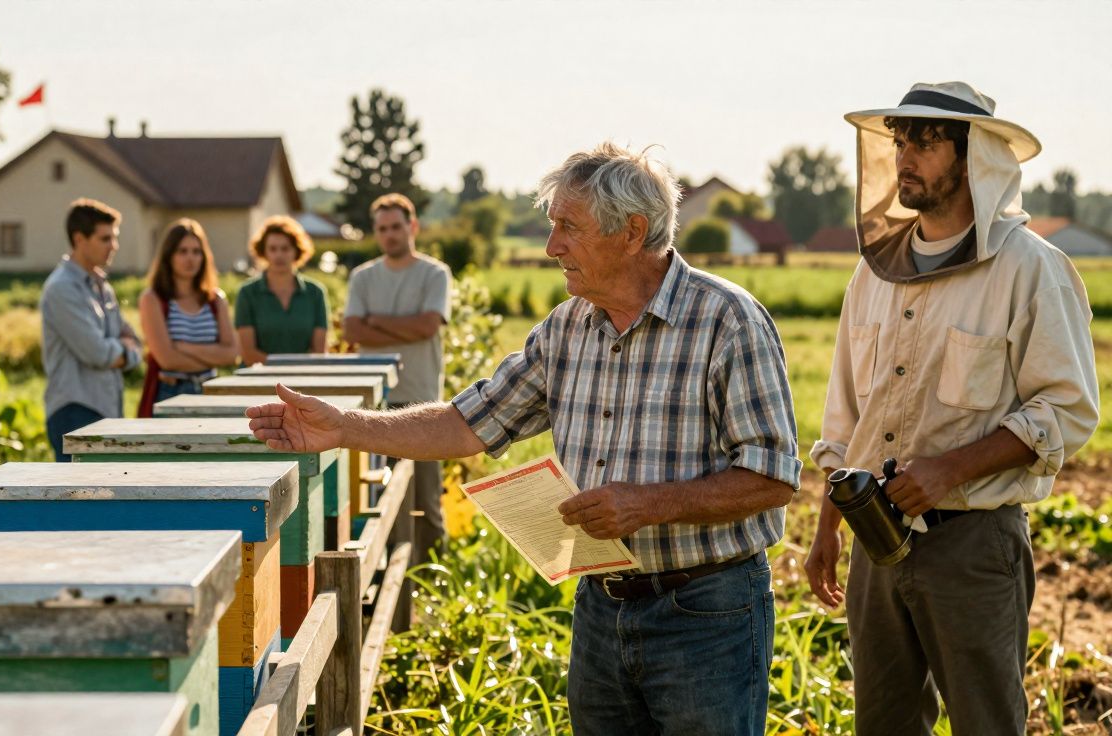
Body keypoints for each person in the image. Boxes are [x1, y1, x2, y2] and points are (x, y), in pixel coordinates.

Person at [249, 143, 801, 735]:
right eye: (552, 226)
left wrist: (648, 503)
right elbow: (466, 423)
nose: (551, 247)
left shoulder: (727, 321)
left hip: (707, 612)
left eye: (569, 227)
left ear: (632, 232)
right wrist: (347, 428)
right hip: (601, 605)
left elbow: (773, 478)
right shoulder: (567, 329)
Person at [803, 82, 1099, 735]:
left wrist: (948, 470)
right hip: (872, 541)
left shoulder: (1029, 269)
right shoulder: (873, 270)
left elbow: (1067, 409)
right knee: (884, 722)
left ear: (977, 158)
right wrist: (827, 526)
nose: (905, 154)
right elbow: (845, 412)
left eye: (926, 141)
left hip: (974, 542)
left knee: (985, 722)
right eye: (900, 139)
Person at [342, 193, 452, 562]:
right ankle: (384, 570)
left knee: (425, 500)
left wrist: (375, 323)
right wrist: (402, 328)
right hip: (371, 403)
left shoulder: (434, 273)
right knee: (373, 499)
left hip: (422, 400)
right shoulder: (363, 277)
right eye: (382, 228)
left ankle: (431, 577)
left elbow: (427, 325)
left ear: (413, 226)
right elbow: (353, 331)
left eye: (396, 227)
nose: (390, 235)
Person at [39, 198, 142, 462]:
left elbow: (134, 340)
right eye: (105, 238)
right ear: (79, 239)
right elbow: (97, 353)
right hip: (75, 412)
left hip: (107, 411)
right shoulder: (62, 288)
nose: (114, 246)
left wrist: (125, 351)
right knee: (79, 502)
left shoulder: (102, 287)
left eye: (114, 238)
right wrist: (126, 352)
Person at [136, 218, 240, 416]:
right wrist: (211, 358)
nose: (190, 258)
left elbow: (231, 354)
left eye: (196, 251)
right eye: (182, 251)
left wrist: (184, 347)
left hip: (210, 392)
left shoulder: (215, 299)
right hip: (170, 392)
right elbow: (167, 360)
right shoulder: (153, 299)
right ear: (169, 256)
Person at [234, 215, 329, 365]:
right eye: (272, 249)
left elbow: (318, 352)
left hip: (301, 381)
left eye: (285, 248)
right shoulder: (247, 293)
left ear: (296, 251)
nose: (279, 255)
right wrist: (283, 372)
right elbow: (248, 354)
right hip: (256, 381)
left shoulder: (315, 293)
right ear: (263, 252)